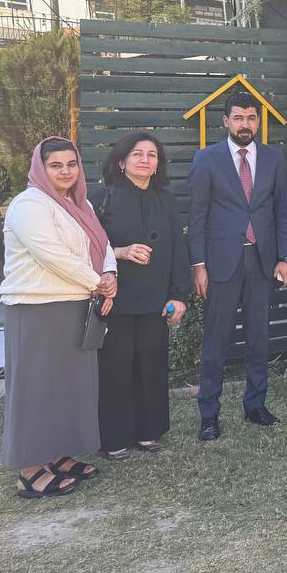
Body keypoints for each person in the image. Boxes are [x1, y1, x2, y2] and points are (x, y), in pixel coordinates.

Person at [0, 137, 117, 498]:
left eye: (71, 164)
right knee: (35, 388)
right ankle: (30, 469)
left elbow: (102, 243)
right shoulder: (29, 204)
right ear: (40, 167)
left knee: (69, 387)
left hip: (75, 303)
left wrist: (110, 272)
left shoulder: (80, 204)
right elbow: (52, 255)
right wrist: (98, 282)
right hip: (36, 307)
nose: (66, 171)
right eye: (55, 165)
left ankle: (59, 454)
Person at [188, 91, 287, 441]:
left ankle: (255, 405)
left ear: (258, 121)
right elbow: (197, 216)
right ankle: (209, 414)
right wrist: (199, 264)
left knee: (258, 339)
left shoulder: (274, 158)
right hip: (221, 264)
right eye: (238, 118)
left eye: (251, 118)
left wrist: (285, 257)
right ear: (226, 121)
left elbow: (283, 211)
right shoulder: (207, 159)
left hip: (262, 262)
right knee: (216, 341)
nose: (245, 124)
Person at [92, 133, 189, 458]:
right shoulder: (102, 198)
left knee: (151, 367)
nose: (145, 159)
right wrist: (121, 252)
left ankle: (148, 431)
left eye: (152, 155)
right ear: (122, 162)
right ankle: (115, 438)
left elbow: (178, 248)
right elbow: (87, 247)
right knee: (116, 370)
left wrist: (179, 294)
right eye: (137, 154)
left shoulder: (167, 199)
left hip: (155, 301)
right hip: (115, 300)